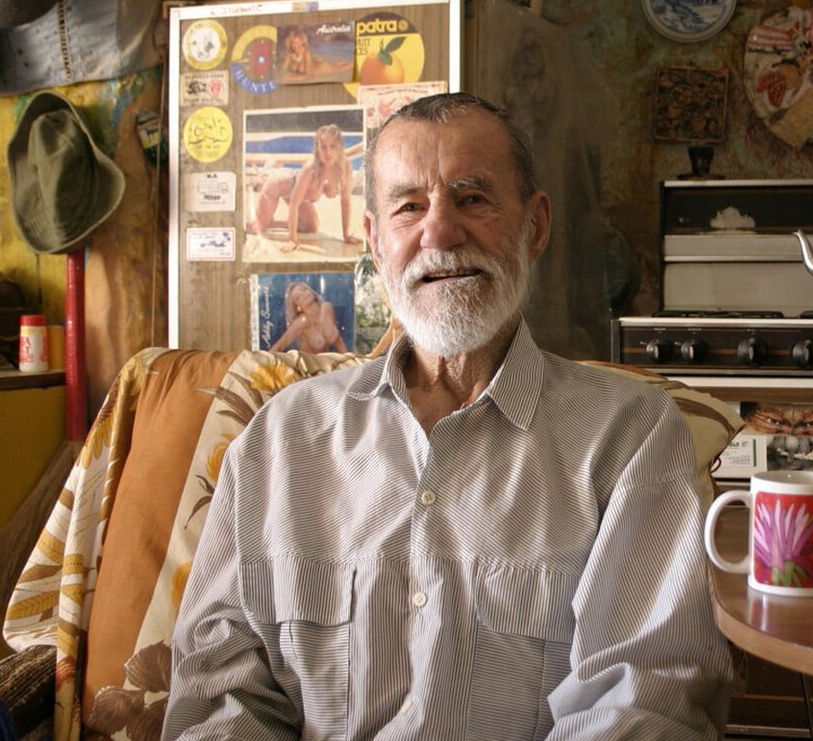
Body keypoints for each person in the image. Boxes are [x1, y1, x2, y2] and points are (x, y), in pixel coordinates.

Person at [163, 93, 731, 740]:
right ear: (375, 242)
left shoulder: (628, 434)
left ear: (535, 226)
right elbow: (220, 693)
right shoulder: (282, 438)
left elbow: (644, 702)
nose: (439, 233)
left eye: (473, 198)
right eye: (409, 207)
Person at [246, 123, 360, 251]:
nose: (328, 152)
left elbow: (345, 201)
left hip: (299, 193)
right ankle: (263, 194)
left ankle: (271, 223)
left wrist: (346, 235)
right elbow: (294, 204)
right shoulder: (311, 169)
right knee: (256, 228)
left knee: (311, 228)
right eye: (323, 147)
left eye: (332, 146)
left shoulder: (344, 166)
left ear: (340, 147)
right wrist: (292, 240)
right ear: (317, 148)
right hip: (277, 186)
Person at [269, 280, 348, 354]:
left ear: (310, 291)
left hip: (327, 362)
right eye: (298, 298)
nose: (304, 295)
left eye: (303, 290)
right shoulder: (301, 322)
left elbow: (338, 342)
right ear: (298, 307)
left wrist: (349, 361)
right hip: (307, 363)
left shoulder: (327, 308)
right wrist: (265, 362)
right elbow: (278, 347)